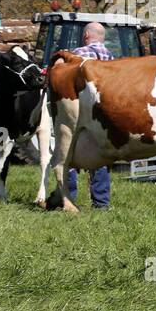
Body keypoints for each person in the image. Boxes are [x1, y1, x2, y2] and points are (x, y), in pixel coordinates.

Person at [65, 22, 114, 209]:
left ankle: (69, 198)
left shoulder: (77, 54)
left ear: (86, 36)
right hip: (102, 113)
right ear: (102, 37)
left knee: (70, 152)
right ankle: (101, 203)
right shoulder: (112, 58)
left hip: (78, 110)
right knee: (99, 155)